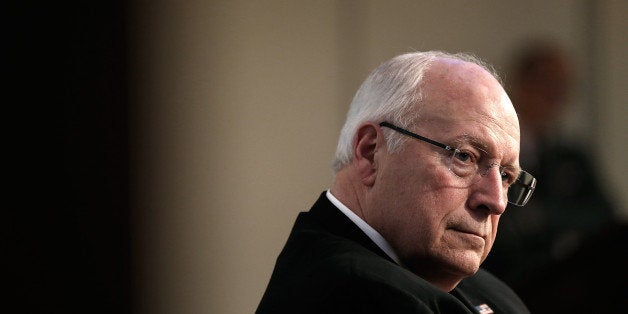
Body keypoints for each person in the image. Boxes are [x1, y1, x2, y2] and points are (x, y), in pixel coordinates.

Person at [257, 51, 537, 313]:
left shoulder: (491, 292)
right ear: (370, 153)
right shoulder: (356, 294)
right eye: (465, 157)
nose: (496, 202)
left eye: (505, 176)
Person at [481, 42, 620, 312]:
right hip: (509, 281)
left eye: (562, 86)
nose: (555, 95)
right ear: (521, 84)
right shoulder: (492, 150)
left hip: (565, 283)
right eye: (546, 82)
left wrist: (545, 218)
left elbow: (605, 216)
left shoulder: (571, 157)